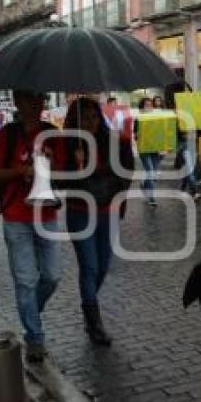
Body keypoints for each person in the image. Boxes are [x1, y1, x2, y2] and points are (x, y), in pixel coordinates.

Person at [0, 91, 61, 363]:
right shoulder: (6, 135)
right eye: (30, 99)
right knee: (25, 280)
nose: (36, 104)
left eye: (39, 99)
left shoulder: (53, 134)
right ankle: (34, 337)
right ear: (18, 101)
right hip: (16, 218)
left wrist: (72, 162)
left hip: (48, 216)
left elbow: (67, 174)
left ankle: (30, 311)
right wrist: (22, 172)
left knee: (52, 276)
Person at [59, 97, 134, 346]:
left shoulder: (113, 142)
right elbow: (57, 182)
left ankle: (87, 305)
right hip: (79, 212)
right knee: (89, 267)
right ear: (74, 121)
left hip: (108, 211)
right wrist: (75, 165)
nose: (89, 123)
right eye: (84, 118)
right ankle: (94, 323)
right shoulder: (67, 146)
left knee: (103, 266)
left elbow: (126, 171)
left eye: (93, 117)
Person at [136, 97, 163, 206]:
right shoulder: (138, 119)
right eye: (146, 105)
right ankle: (151, 197)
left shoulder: (157, 118)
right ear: (142, 107)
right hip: (144, 149)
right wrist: (140, 134)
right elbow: (135, 136)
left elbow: (162, 134)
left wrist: (163, 148)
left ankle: (144, 185)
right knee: (151, 173)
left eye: (150, 105)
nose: (149, 107)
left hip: (155, 150)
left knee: (153, 174)